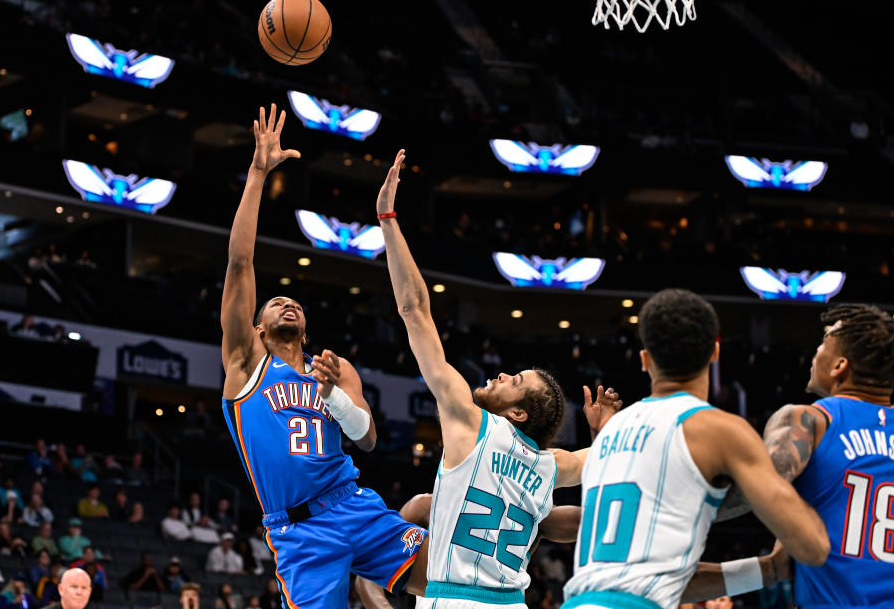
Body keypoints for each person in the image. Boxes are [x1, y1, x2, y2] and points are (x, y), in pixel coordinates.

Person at [371, 149, 609, 605]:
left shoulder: (471, 423)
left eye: (514, 379)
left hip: (454, 598)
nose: (501, 374)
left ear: (518, 412)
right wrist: (603, 431)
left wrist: (388, 218)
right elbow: (605, 460)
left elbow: (415, 311)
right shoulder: (551, 465)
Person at [219, 104, 427, 606]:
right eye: (275, 302)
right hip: (299, 532)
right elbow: (240, 260)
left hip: (354, 505)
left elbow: (368, 439)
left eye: (295, 302)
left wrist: (333, 395)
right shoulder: (246, 363)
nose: (288, 302)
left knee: (454, 577)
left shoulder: (332, 368)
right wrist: (257, 174)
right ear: (256, 326)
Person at [561, 289, 830, 609]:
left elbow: (659, 580)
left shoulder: (609, 433)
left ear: (645, 360)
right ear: (715, 352)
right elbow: (812, 547)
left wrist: (766, 571)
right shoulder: (718, 430)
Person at [711, 303, 894, 608]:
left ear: (840, 366)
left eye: (824, 343)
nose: (816, 352)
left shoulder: (808, 421)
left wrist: (667, 508)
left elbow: (754, 490)